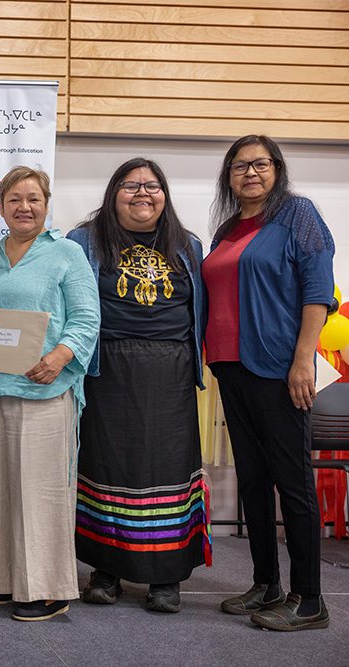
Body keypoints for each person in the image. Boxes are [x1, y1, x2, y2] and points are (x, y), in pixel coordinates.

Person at [203, 135, 334, 631]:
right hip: (231, 368)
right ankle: (266, 584)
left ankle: (310, 599)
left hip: (279, 367)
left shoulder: (297, 215)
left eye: (260, 164)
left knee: (292, 482)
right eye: (239, 166)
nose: (250, 173)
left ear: (277, 169)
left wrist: (303, 360)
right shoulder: (228, 229)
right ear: (229, 176)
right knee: (253, 481)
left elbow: (318, 289)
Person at [67, 158, 210, 614]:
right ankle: (105, 572)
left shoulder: (188, 245)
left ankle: (165, 578)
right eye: (131, 186)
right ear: (113, 193)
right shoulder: (84, 240)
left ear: (165, 195)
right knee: (106, 468)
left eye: (152, 186)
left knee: (167, 470)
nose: (142, 193)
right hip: (106, 367)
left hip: (171, 370)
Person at [0, 166, 99, 622]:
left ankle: (46, 587)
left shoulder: (67, 254)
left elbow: (86, 319)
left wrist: (60, 357)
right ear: (0, 206)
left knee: (41, 493)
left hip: (46, 388)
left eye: (33, 199)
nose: (24, 207)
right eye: (15, 199)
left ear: (46, 203)